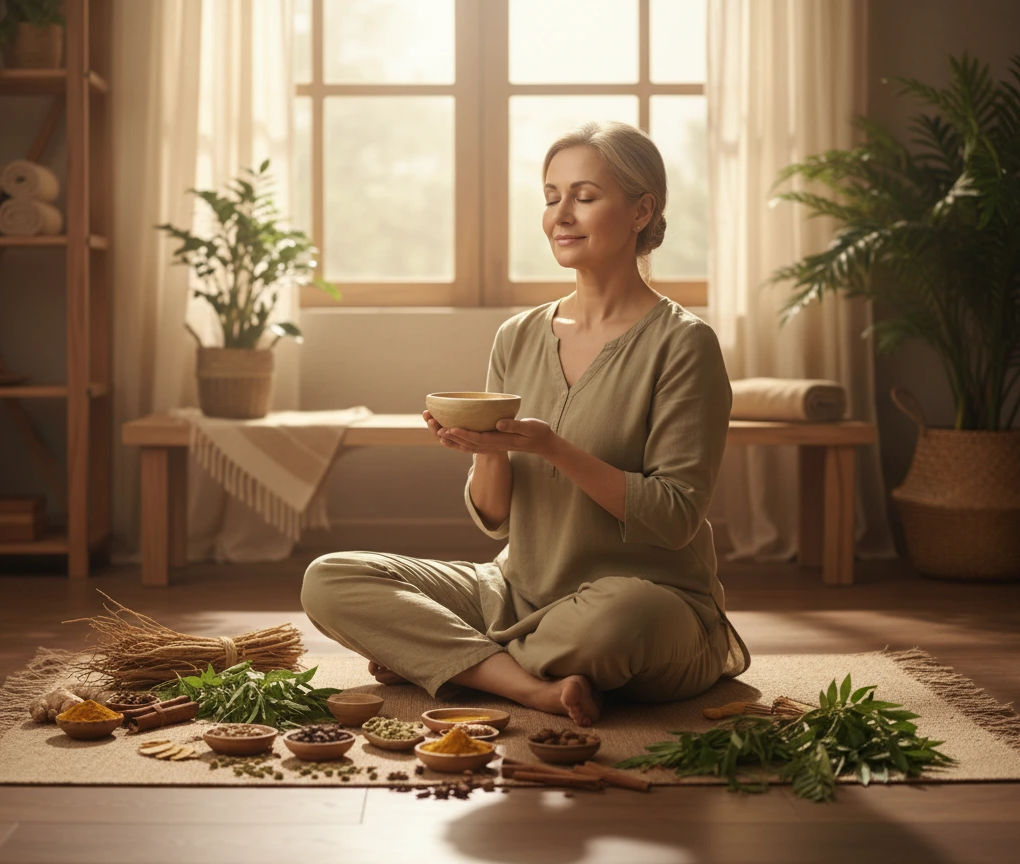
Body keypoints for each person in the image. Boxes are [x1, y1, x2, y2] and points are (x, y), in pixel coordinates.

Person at [301, 120, 749, 726]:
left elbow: (673, 518)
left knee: (617, 619)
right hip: (515, 590)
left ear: (642, 210)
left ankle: (452, 660)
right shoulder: (518, 335)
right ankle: (530, 684)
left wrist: (554, 449)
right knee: (331, 578)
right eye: (550, 197)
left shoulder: (683, 344)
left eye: (584, 197)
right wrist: (488, 449)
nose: (560, 215)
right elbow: (497, 521)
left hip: (647, 601)